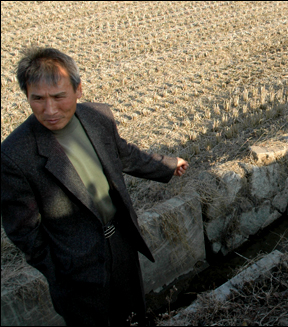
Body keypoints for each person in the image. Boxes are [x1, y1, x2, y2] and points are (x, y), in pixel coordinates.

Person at [1, 47, 189, 326]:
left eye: (58, 97)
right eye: (37, 99)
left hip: (122, 242)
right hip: (75, 270)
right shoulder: (15, 155)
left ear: (78, 90)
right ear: (27, 96)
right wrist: (60, 271)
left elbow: (123, 153)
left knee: (134, 316)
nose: (49, 110)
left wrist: (167, 165)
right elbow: (24, 231)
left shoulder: (97, 117)